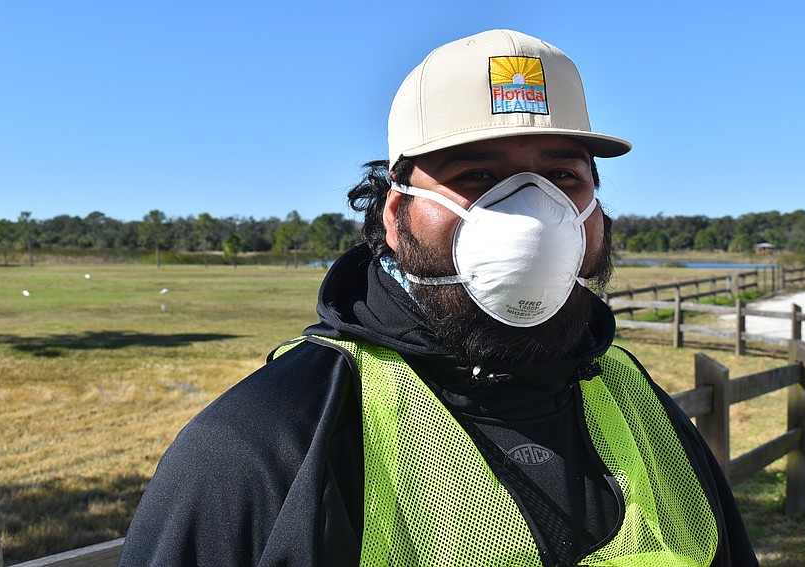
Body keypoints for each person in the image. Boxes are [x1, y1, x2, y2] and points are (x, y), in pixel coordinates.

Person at [119, 29, 758, 566]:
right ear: (395, 214)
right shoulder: (269, 440)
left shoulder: (633, 399)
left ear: (596, 210)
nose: (533, 215)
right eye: (476, 174)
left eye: (562, 176)